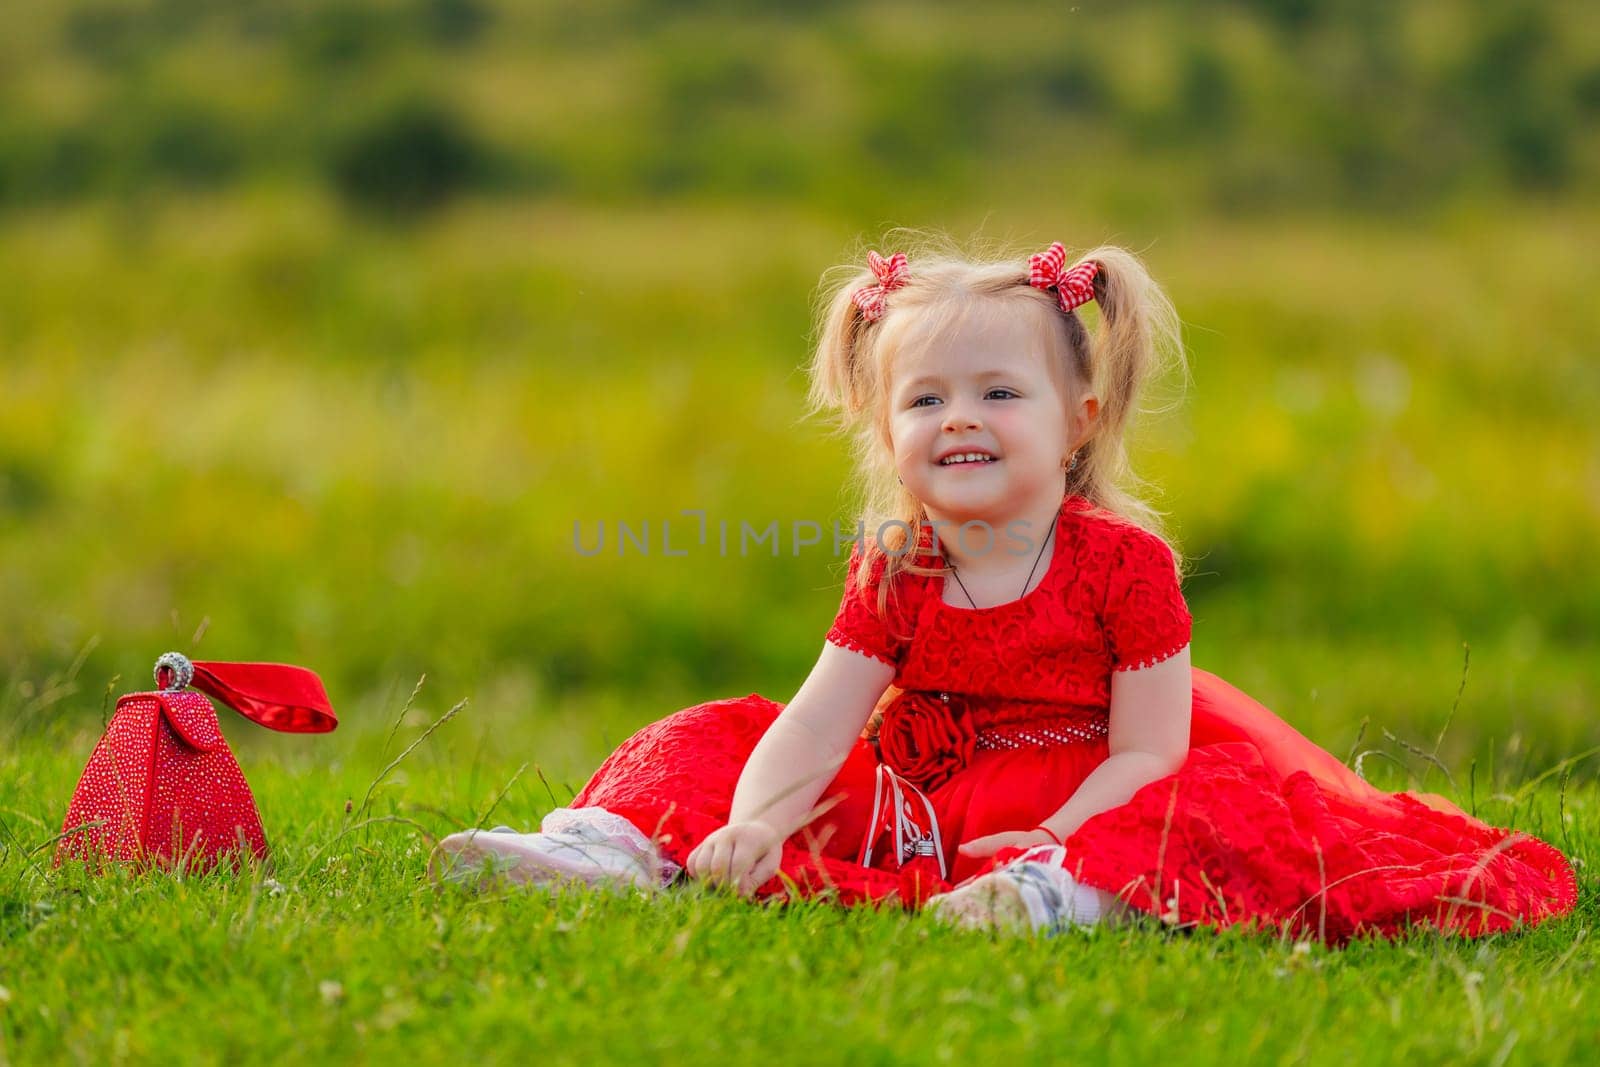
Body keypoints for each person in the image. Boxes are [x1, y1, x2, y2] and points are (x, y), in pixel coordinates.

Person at [434, 239, 1577, 942]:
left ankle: (1058, 897)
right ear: (886, 427)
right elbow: (821, 714)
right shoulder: (896, 563)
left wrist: (1056, 836)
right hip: (922, 797)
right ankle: (615, 849)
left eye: (997, 392)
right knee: (718, 735)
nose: (960, 418)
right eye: (926, 400)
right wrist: (758, 814)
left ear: (1079, 418)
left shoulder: (1123, 565)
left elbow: (1149, 751)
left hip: (1084, 784)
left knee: (1208, 815)